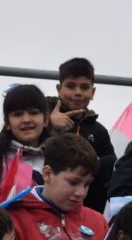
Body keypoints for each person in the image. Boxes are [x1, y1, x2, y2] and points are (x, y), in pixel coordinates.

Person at [48, 58, 115, 213]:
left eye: (84, 87)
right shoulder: (41, 118)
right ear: (59, 89)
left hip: (87, 207)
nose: (78, 92)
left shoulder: (99, 131)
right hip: (50, 202)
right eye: (71, 86)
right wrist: (50, 126)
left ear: (93, 92)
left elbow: (111, 170)